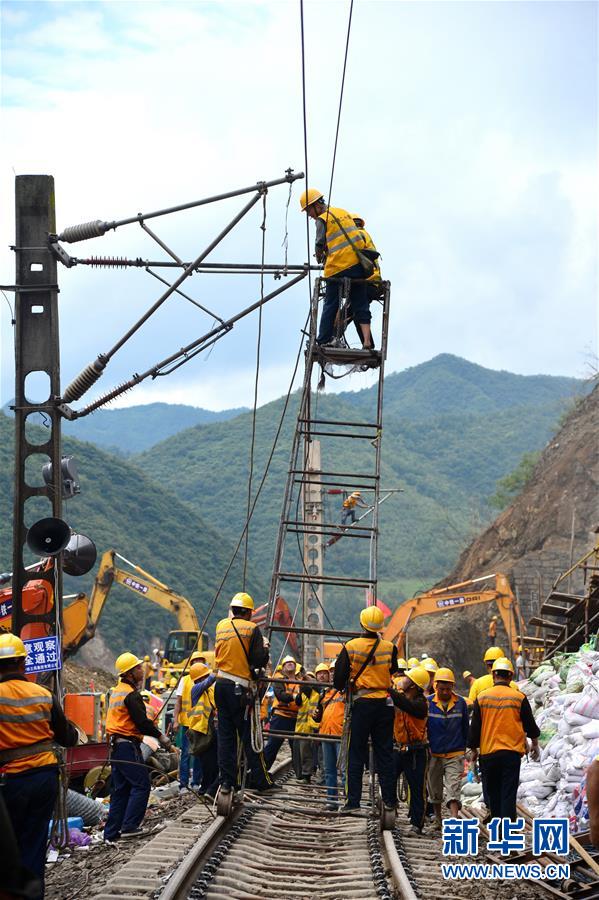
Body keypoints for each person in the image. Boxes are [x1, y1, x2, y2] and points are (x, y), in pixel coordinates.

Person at [0, 633, 78, 898]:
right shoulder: (42, 694)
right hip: (44, 776)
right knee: (33, 843)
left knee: (7, 846)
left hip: (9, 779)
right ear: (23, 663)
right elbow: (66, 737)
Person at [334, 606, 398, 815]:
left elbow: (337, 681)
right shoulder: (389, 647)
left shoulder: (351, 647)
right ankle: (389, 801)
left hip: (361, 705)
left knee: (356, 752)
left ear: (362, 624)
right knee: (384, 753)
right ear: (380, 626)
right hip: (384, 705)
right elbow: (393, 669)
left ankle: (353, 801)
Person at [104, 651, 173, 842]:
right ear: (129, 673)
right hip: (126, 746)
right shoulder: (131, 695)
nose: (142, 670)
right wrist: (162, 738)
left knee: (121, 790)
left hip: (116, 746)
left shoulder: (116, 690)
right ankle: (129, 826)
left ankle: (111, 833)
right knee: (141, 785)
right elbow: (143, 723)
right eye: (138, 668)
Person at [300, 188, 376, 349]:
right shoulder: (344, 212)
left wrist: (319, 256)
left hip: (337, 267)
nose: (309, 215)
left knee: (331, 303)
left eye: (308, 211)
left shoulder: (321, 219)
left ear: (316, 205)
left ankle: (323, 340)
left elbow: (319, 243)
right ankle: (367, 342)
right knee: (360, 303)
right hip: (357, 266)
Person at [214, 592, 272, 796]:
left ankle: (228, 783)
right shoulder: (252, 628)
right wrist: (264, 648)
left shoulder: (221, 626)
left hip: (220, 685)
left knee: (226, 737)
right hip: (239, 689)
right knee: (249, 735)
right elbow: (258, 661)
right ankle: (260, 780)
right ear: (248, 612)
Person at [468, 657, 540, 821]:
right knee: (508, 792)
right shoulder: (519, 697)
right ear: (510, 677)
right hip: (511, 754)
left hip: (488, 753)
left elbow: (475, 728)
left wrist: (473, 750)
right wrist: (534, 744)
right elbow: (530, 725)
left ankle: (496, 825)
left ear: (493, 676)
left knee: (493, 792)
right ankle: (506, 832)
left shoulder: (482, 697)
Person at [427, 668, 469, 829]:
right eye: (442, 689)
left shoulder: (460, 703)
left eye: (448, 689)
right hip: (434, 753)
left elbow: (465, 727)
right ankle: (438, 820)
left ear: (453, 687)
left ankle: (453, 819)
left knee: (453, 787)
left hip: (455, 751)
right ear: (435, 686)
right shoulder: (429, 703)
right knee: (435, 789)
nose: (445, 692)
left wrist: (467, 748)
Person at [390, 666, 429, 835]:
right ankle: (390, 810)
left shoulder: (421, 704)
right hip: (399, 749)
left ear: (413, 685)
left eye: (407, 678)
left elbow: (406, 705)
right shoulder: (402, 698)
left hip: (416, 751)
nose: (402, 680)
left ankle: (417, 824)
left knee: (417, 787)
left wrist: (388, 690)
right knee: (388, 777)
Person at [313, 660, 346, 810]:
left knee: (345, 770)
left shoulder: (346, 690)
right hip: (326, 734)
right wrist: (316, 716)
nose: (332, 674)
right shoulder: (325, 693)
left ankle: (348, 801)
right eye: (330, 671)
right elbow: (320, 715)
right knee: (329, 770)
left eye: (334, 671)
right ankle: (331, 801)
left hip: (340, 734)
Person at [173, 651, 206, 792]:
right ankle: (184, 784)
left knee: (198, 754)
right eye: (195, 661)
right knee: (186, 754)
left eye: (200, 661)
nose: (198, 663)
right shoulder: (185, 680)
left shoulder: (205, 680)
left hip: (200, 723)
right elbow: (178, 702)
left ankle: (196, 782)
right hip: (187, 723)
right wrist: (175, 720)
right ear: (191, 663)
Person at [187, 662, 218, 797]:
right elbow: (211, 680)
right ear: (199, 679)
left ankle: (209, 788)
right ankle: (204, 789)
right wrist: (218, 670)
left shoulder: (209, 691)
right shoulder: (196, 689)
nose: (207, 679)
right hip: (200, 732)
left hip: (209, 730)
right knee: (207, 763)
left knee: (214, 761)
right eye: (204, 676)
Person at [264, 655, 300, 769]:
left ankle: (301, 776)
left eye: (292, 662)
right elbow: (281, 696)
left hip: (295, 718)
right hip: (280, 717)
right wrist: (294, 697)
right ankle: (262, 772)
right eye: (286, 663)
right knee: (272, 746)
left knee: (296, 749)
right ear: (283, 668)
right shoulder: (278, 680)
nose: (290, 664)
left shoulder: (300, 682)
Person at [293, 671, 320, 782]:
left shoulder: (318, 693)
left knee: (316, 754)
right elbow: (297, 703)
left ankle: (314, 774)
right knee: (303, 753)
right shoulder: (302, 695)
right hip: (302, 728)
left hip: (314, 727)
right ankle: (305, 775)